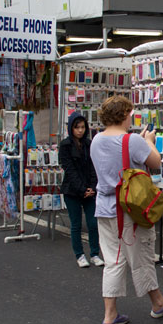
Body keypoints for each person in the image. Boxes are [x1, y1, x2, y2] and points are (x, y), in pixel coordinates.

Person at [90, 96, 163, 324]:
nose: (132, 117)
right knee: (141, 258)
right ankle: (158, 303)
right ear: (123, 115)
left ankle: (110, 315)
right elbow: (156, 162)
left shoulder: (96, 140)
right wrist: (149, 141)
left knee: (112, 261)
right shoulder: (132, 141)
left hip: (104, 207)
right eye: (130, 113)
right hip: (130, 209)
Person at [59, 112, 103, 268]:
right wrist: (83, 188)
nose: (80, 130)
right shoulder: (65, 145)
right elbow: (69, 170)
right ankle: (79, 255)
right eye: (77, 127)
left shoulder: (89, 144)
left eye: (83, 127)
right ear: (71, 128)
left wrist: (92, 187)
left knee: (93, 223)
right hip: (72, 191)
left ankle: (95, 253)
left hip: (89, 190)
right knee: (76, 224)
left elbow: (94, 166)